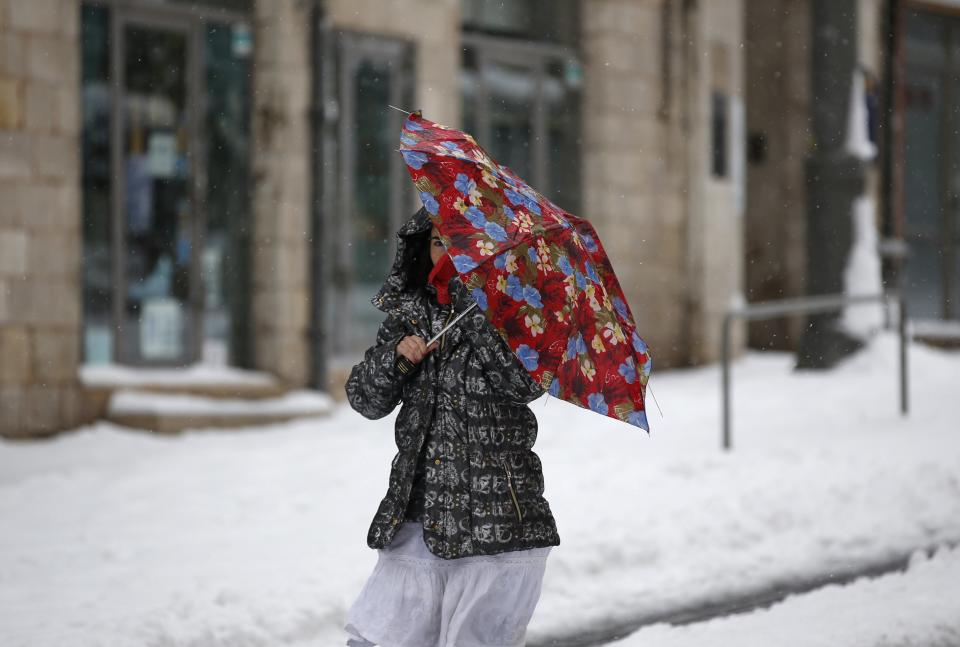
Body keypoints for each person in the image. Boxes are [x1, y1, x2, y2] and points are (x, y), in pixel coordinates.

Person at [343, 207, 561, 647]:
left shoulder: (515, 312)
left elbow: (525, 382)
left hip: (495, 526)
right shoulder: (411, 314)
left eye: (459, 245)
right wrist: (397, 358)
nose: (447, 255)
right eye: (438, 242)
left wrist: (481, 312)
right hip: (419, 519)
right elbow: (364, 398)